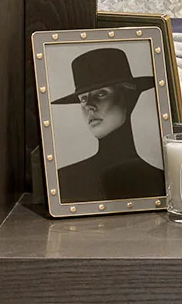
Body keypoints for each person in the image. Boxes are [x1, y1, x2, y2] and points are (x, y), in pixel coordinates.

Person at [52, 46, 165, 203]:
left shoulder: (161, 182)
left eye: (101, 94)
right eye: (83, 98)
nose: (89, 106)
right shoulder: (63, 179)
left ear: (130, 98)